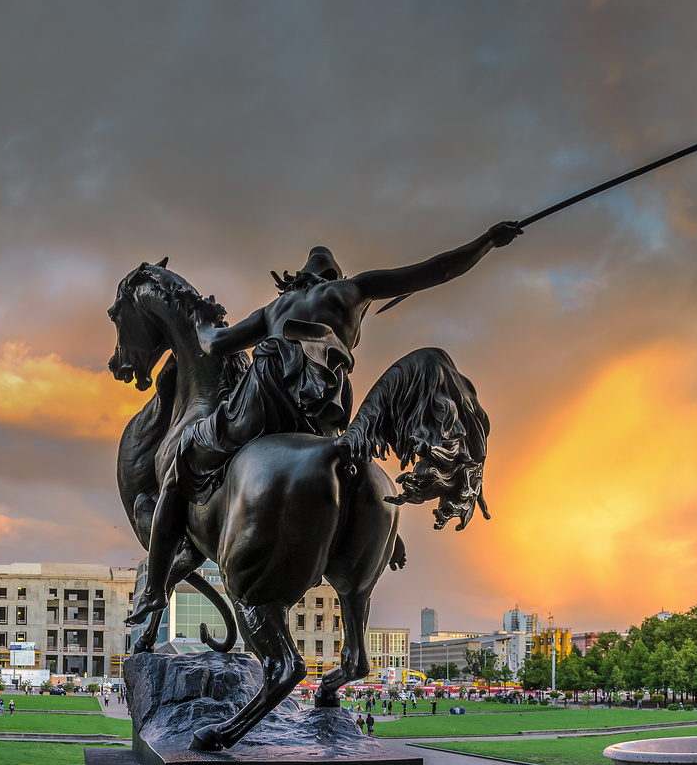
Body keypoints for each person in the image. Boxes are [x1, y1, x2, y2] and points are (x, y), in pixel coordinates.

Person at [128, 221, 524, 625]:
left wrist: (201, 322)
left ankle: (155, 588)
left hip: (264, 400)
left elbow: (213, 343)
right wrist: (487, 242)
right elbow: (437, 269)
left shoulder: (274, 309)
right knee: (339, 457)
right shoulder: (352, 291)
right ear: (334, 276)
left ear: (298, 279)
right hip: (322, 411)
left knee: (183, 462)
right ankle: (378, 526)